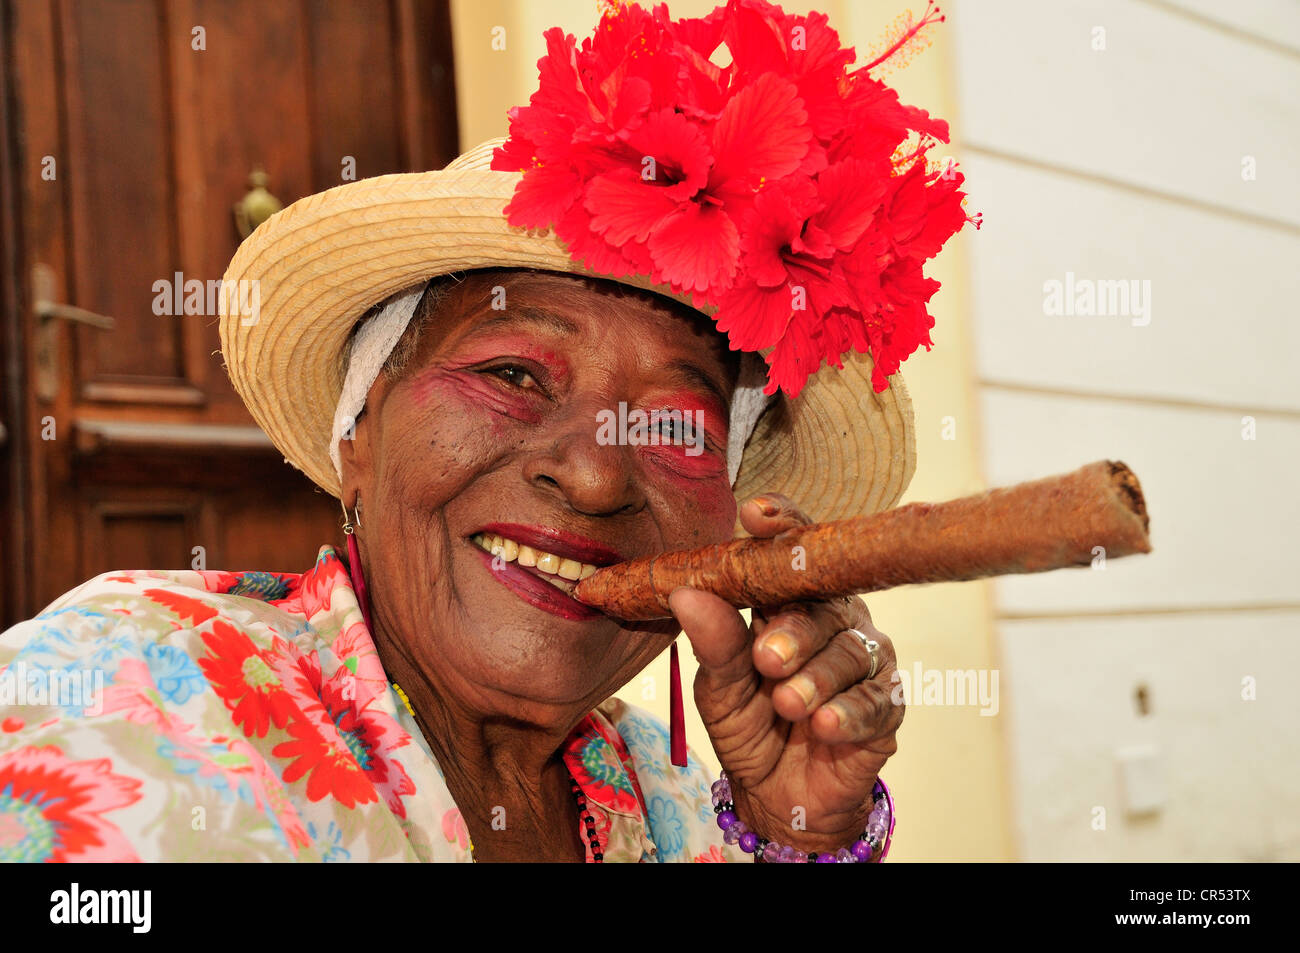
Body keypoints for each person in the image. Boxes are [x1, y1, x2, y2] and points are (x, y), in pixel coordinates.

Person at [0, 0, 972, 862]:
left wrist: (802, 837)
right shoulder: (119, 703)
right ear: (360, 432)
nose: (595, 475)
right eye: (512, 373)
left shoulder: (678, 798)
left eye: (672, 424)